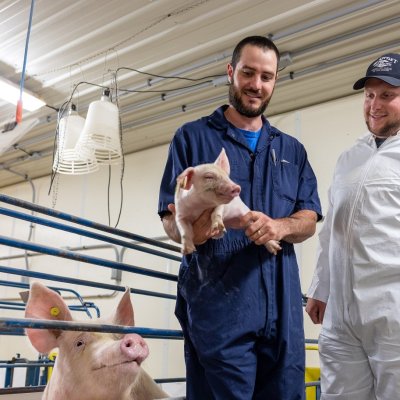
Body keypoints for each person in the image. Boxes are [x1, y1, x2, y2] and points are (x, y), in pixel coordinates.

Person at [158, 35, 322, 400]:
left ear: (275, 80)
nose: (256, 85)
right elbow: (170, 221)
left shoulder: (291, 150)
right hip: (218, 304)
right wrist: (197, 228)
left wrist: (280, 225)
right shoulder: (192, 138)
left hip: (281, 308)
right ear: (231, 72)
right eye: (248, 73)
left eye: (266, 76)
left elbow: (309, 217)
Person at [306, 53, 400, 399]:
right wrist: (321, 287)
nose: (374, 105)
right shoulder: (350, 157)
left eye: (387, 95)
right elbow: (333, 229)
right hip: (341, 314)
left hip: (392, 310)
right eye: (369, 95)